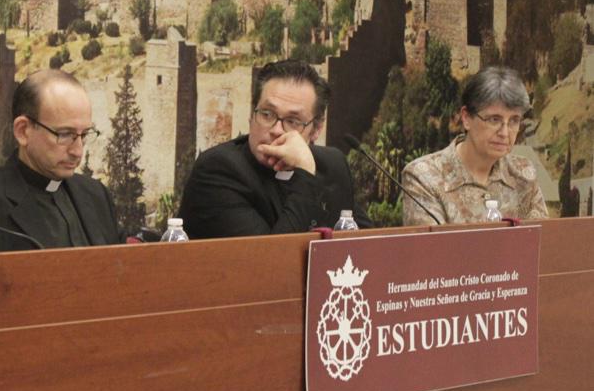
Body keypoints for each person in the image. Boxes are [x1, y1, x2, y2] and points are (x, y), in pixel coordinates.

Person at [0, 69, 121, 254]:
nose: (77, 151)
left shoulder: (96, 195)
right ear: (23, 131)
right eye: (65, 135)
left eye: (85, 134)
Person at [178, 59, 369, 238]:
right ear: (251, 115)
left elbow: (373, 249)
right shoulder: (218, 171)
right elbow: (273, 264)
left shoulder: (333, 165)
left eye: (292, 121)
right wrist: (306, 176)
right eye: (267, 114)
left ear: (316, 129)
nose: (276, 130)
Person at [401, 65, 548, 225]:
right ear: (466, 118)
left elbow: (544, 244)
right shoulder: (424, 178)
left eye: (513, 120)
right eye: (494, 119)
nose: (505, 133)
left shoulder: (524, 174)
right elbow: (432, 249)